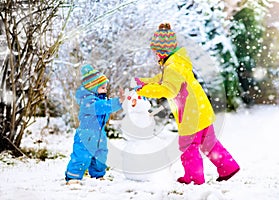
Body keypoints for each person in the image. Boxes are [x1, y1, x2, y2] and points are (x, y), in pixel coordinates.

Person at [134, 23, 240, 185]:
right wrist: (144, 83)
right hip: (201, 109)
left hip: (190, 113)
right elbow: (161, 80)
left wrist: (143, 91)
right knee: (208, 143)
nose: (154, 55)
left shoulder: (172, 67)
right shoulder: (177, 63)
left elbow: (168, 89)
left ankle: (194, 177)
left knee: (188, 146)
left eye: (156, 52)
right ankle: (227, 167)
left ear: (163, 51)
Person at [65, 64, 124, 185]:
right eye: (102, 88)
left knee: (100, 156)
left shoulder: (101, 101)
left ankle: (98, 175)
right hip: (86, 134)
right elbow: (102, 107)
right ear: (93, 87)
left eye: (106, 87)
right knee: (82, 156)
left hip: (99, 134)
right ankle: (73, 177)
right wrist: (118, 102)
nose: (105, 90)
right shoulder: (89, 101)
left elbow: (105, 107)